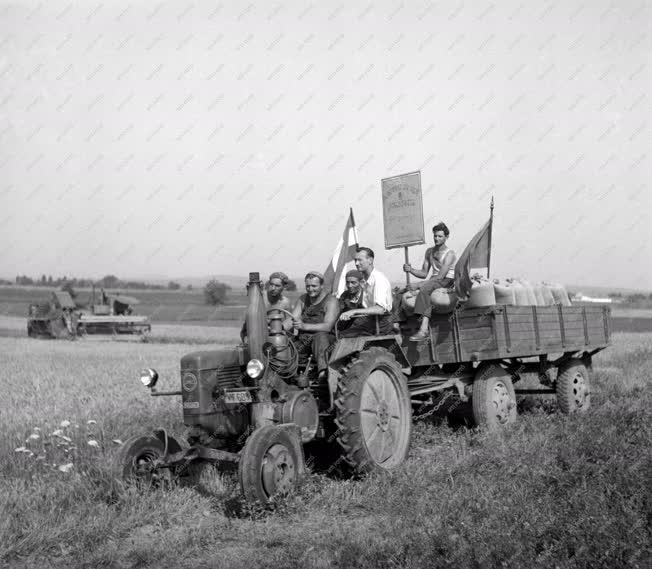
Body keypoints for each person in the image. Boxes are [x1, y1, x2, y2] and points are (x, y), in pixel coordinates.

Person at [403, 222, 457, 342]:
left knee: (424, 289)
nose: (436, 238)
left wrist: (419, 285)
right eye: (435, 236)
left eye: (440, 236)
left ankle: (423, 330)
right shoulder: (429, 252)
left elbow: (441, 276)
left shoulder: (450, 254)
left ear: (446, 237)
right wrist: (410, 270)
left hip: (446, 280)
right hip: (433, 280)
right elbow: (423, 273)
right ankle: (400, 323)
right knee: (404, 291)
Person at [289, 271, 339, 378]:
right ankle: (290, 374)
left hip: (325, 339)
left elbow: (327, 326)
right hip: (304, 338)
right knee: (285, 343)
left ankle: (323, 373)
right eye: (308, 286)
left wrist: (304, 326)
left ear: (321, 286)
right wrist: (279, 327)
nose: (310, 289)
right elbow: (292, 319)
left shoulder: (331, 301)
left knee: (320, 336)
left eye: (314, 286)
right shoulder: (303, 299)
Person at [338, 247, 393, 336]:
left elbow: (380, 309)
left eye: (360, 260)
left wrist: (353, 311)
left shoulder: (379, 279)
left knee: (345, 337)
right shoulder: (365, 280)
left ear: (370, 260)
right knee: (341, 334)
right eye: (355, 260)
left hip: (381, 323)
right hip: (370, 320)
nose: (356, 263)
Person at [240, 271, 293, 341]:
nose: (273, 288)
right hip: (253, 331)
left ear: (284, 287)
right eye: (271, 284)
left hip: (273, 334)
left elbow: (289, 322)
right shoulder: (260, 295)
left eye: (277, 286)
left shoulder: (285, 302)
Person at [336, 270, 365, 334]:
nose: (349, 285)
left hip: (362, 327)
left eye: (353, 282)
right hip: (346, 325)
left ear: (361, 283)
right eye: (347, 282)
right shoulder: (345, 295)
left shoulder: (366, 295)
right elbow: (339, 309)